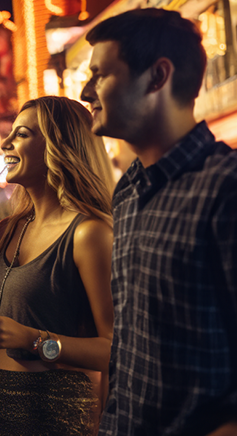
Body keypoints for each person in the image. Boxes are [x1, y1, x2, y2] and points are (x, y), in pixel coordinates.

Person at [80, 8, 237, 435]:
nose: (84, 90)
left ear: (157, 76)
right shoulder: (129, 190)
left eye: (100, 75)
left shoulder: (225, 188)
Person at [0, 96, 114, 436]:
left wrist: (33, 339)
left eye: (23, 134)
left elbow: (116, 350)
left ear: (58, 147)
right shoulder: (8, 228)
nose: (5, 143)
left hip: (55, 411)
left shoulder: (89, 233)